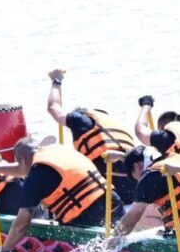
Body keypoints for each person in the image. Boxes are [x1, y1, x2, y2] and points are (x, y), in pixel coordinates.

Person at [0, 138, 112, 252]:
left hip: (90, 216)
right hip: (112, 202)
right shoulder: (56, 150)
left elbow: (22, 224)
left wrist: (3, 251)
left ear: (23, 160)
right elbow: (22, 169)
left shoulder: (35, 179)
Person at [44, 70, 140, 204]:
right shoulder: (115, 125)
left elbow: (54, 109)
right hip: (136, 190)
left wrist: (56, 81)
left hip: (113, 191)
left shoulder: (81, 119)